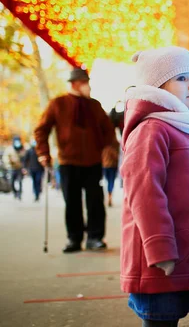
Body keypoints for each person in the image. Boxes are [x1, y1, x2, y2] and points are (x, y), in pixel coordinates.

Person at [120, 47, 189, 327]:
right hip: (159, 260)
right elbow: (145, 195)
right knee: (159, 321)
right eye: (181, 78)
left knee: (169, 319)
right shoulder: (152, 130)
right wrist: (159, 248)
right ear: (157, 85)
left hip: (181, 254)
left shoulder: (185, 127)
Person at [34, 68, 116, 253]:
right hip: (68, 162)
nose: (88, 86)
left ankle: (95, 237)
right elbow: (41, 129)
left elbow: (108, 130)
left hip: (93, 161)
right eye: (84, 82)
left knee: (95, 200)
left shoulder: (94, 105)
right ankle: (74, 238)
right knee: (72, 201)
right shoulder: (58, 104)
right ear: (74, 84)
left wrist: (105, 146)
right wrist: (43, 153)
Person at [102, 137, 120, 207]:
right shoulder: (115, 144)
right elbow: (117, 156)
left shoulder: (104, 143)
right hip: (112, 166)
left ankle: (109, 196)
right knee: (110, 181)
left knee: (108, 181)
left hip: (106, 166)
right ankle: (109, 196)